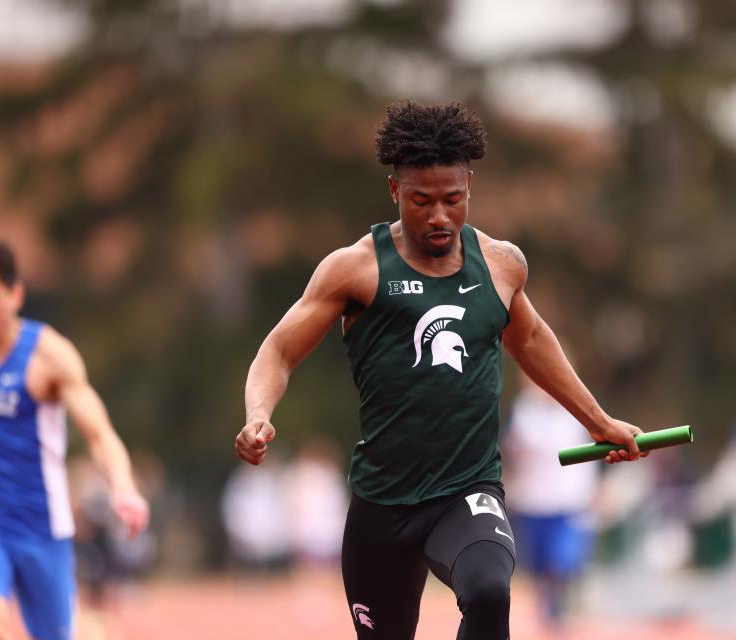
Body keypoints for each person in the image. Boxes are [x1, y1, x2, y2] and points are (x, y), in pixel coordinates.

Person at [235, 100, 648, 640]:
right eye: (421, 200)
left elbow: (531, 339)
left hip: (466, 490)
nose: (439, 217)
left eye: (453, 200)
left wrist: (598, 421)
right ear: (393, 192)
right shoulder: (355, 269)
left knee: (489, 590)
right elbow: (279, 351)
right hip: (383, 503)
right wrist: (258, 413)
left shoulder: (501, 265)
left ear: (470, 187)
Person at [0, 239, 149, 640]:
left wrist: (123, 487)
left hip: (42, 527)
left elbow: (99, 434)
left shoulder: (49, 356)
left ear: (16, 295)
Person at [502, 374, 600, 632]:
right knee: (539, 564)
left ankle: (562, 604)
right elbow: (510, 451)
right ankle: (548, 606)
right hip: (533, 501)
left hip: (569, 500)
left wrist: (596, 490)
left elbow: (593, 452)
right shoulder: (523, 410)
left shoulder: (577, 410)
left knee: (563, 559)